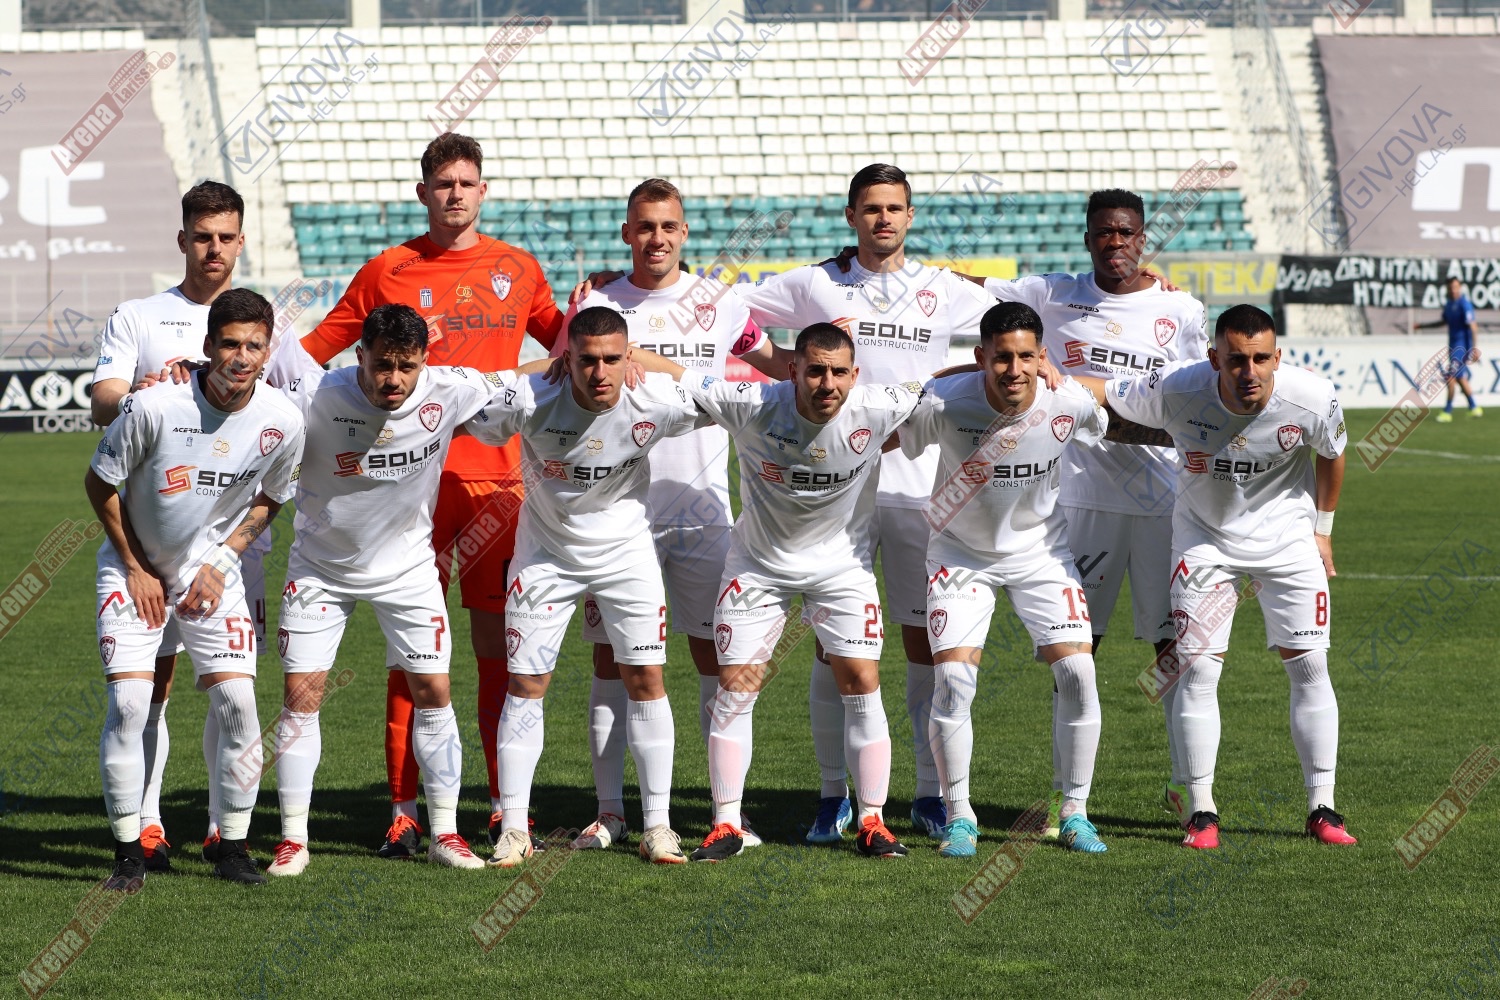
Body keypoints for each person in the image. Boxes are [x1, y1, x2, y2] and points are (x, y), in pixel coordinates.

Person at [299, 132, 564, 856]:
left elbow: (568, 348)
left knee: (495, 647)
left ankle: (502, 806)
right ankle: (404, 808)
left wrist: (615, 340)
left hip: (494, 483)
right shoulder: (387, 270)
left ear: (483, 191)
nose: (455, 194)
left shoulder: (517, 268)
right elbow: (312, 353)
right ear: (423, 192)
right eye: (442, 183)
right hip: (402, 486)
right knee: (409, 650)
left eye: (466, 182)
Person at [262, 304, 544, 876]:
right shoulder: (315, 394)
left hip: (409, 570)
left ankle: (446, 833)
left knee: (434, 691)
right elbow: (239, 398)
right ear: (359, 356)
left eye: (407, 367)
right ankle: (293, 839)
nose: (394, 379)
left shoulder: (450, 388)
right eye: (382, 365)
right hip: (321, 569)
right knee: (301, 697)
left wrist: (578, 358)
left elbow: (526, 382)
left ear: (424, 361)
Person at [634, 323, 924, 861]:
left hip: (841, 570)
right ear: (792, 370)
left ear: (855, 375)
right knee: (735, 689)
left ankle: (872, 821)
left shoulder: (879, 406)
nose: (827, 383)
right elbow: (682, 376)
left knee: (862, 682)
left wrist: (1006, 366)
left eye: (838, 372)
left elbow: (947, 385)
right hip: (758, 569)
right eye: (814, 370)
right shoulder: (752, 403)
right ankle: (726, 823)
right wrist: (626, 354)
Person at [1074, 304, 1356, 849]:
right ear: (1213, 359)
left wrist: (1323, 529)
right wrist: (1048, 374)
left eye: (1260, 359)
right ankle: (1201, 810)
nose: (1249, 372)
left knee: (1310, 666)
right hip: (1205, 543)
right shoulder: (1177, 387)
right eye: (1235, 360)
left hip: (1288, 543)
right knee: (1199, 671)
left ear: (1278, 357)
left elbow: (1334, 452)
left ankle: (1322, 808)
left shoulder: (1312, 397)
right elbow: (1104, 392)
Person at [970, 188, 1208, 831]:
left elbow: (1195, 401)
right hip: (1079, 503)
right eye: (1104, 232)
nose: (1115, 242)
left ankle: (1190, 790)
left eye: (1126, 232)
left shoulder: (1181, 311)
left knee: (1173, 651)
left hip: (1163, 504)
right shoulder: (1052, 294)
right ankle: (1065, 798)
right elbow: (968, 289)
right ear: (1088, 239)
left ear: (1143, 238)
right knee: (1076, 655)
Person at [552, 178, 766, 852]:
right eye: (644, 226)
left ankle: (726, 812)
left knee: (716, 658)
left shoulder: (722, 303)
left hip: (705, 513)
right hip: (620, 518)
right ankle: (611, 813)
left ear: (684, 232)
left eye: (668, 226)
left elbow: (777, 363)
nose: (657, 238)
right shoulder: (596, 304)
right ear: (627, 232)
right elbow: (558, 377)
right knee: (613, 663)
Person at [475, 306, 708, 868]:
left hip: (627, 557)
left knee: (646, 679)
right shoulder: (533, 397)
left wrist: (646, 360)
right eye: (586, 361)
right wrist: (541, 366)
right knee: (526, 684)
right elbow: (474, 394)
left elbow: (717, 393)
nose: (599, 372)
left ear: (628, 358)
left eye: (612, 359)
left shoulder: (654, 399)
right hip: (545, 559)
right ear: (567, 359)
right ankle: (514, 829)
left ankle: (658, 826)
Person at [86, 288, 304, 887]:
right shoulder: (153, 406)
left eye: (254, 346)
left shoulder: (284, 420)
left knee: (238, 704)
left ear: (268, 351)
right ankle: (129, 855)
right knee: (131, 705)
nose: (242, 357)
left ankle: (231, 847)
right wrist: (136, 566)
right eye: (230, 344)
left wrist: (225, 559)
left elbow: (273, 497)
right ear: (207, 345)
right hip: (134, 568)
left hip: (211, 573)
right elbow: (100, 483)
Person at [89, 180, 261, 870]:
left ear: (241, 242)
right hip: (154, 536)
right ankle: (150, 823)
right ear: (183, 239)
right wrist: (148, 391)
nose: (214, 249)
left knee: (233, 693)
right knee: (149, 691)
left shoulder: (261, 324)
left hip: (230, 546)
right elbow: (103, 400)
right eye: (203, 237)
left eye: (226, 237)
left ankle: (225, 827)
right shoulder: (140, 316)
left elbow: (294, 404)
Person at [900, 302, 1110, 856]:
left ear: (1042, 357)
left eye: (1025, 357)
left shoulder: (1067, 401)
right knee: (954, 681)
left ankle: (1075, 812)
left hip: (1042, 553)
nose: (1014, 370)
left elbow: (1102, 419)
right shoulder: (947, 402)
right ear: (980, 358)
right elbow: (901, 434)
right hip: (959, 554)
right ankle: (960, 816)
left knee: (1078, 671)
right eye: (1000, 358)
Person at [1413, 277, 1482, 421]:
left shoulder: (1464, 304)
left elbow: (1473, 326)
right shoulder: (1449, 304)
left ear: (1460, 288)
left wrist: (1474, 349)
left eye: (1455, 287)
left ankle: (1447, 411)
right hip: (1453, 347)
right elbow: (1443, 322)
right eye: (1450, 287)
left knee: (1450, 377)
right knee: (1460, 378)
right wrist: (1422, 326)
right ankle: (1474, 407)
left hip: (1461, 348)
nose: (1453, 290)